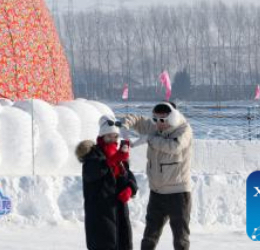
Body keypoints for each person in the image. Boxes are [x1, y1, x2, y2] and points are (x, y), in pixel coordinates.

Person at [121, 102, 194, 250]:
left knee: (181, 239)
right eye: (155, 119)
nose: (158, 123)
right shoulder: (154, 127)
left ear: (172, 118)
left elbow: (174, 146)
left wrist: (149, 139)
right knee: (149, 237)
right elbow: (137, 119)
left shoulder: (184, 130)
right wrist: (125, 127)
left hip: (178, 194)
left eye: (163, 120)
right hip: (157, 193)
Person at [78, 118, 139, 250]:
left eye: (116, 136)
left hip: (120, 213)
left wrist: (130, 189)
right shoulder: (93, 155)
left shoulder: (119, 156)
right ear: (102, 136)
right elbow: (92, 173)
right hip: (101, 215)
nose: (113, 139)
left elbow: (130, 176)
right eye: (109, 136)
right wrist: (113, 160)